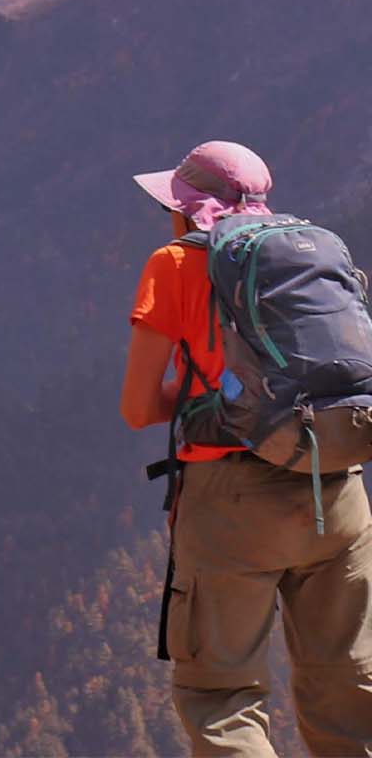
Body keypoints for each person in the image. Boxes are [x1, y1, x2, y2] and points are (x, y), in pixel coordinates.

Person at [121, 140, 372, 756]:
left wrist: (206, 388)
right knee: (347, 688)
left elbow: (138, 408)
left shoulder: (175, 263)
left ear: (190, 207)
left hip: (231, 499)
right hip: (336, 482)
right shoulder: (314, 249)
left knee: (222, 697)